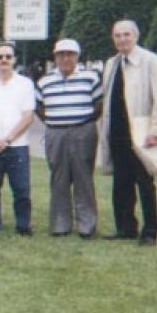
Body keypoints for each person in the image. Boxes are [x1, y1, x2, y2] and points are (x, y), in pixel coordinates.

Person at [97, 20, 157, 246]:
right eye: (117, 35)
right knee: (121, 183)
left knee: (145, 183)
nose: (122, 39)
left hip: (141, 132)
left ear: (136, 36)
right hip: (117, 132)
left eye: (126, 34)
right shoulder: (111, 63)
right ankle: (126, 228)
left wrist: (155, 130)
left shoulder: (150, 61)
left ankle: (150, 231)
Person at [36, 39, 103, 239]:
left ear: (77, 56)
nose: (66, 58)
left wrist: (82, 121)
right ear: (55, 57)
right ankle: (60, 225)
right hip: (56, 132)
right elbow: (39, 108)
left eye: (70, 54)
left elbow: (99, 105)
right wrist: (57, 121)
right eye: (61, 54)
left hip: (83, 131)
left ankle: (86, 226)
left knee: (84, 177)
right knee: (59, 178)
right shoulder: (45, 81)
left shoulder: (90, 78)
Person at [0, 42, 36, 236]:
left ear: (14, 60)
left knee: (21, 189)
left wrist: (8, 140)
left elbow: (28, 116)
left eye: (8, 57)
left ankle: (23, 226)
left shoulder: (25, 84)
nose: (4, 60)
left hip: (17, 145)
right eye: (0, 57)